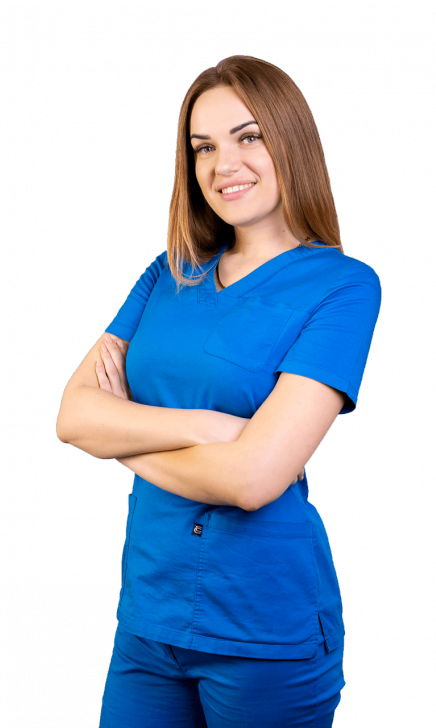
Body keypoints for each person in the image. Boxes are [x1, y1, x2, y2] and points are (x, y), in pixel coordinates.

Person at [57, 55, 382, 727]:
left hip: (266, 630)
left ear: (291, 140)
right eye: (203, 147)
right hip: (148, 617)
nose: (222, 164)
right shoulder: (167, 272)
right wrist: (208, 429)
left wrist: (118, 438)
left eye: (248, 136)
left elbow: (254, 480)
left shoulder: (345, 286)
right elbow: (73, 416)